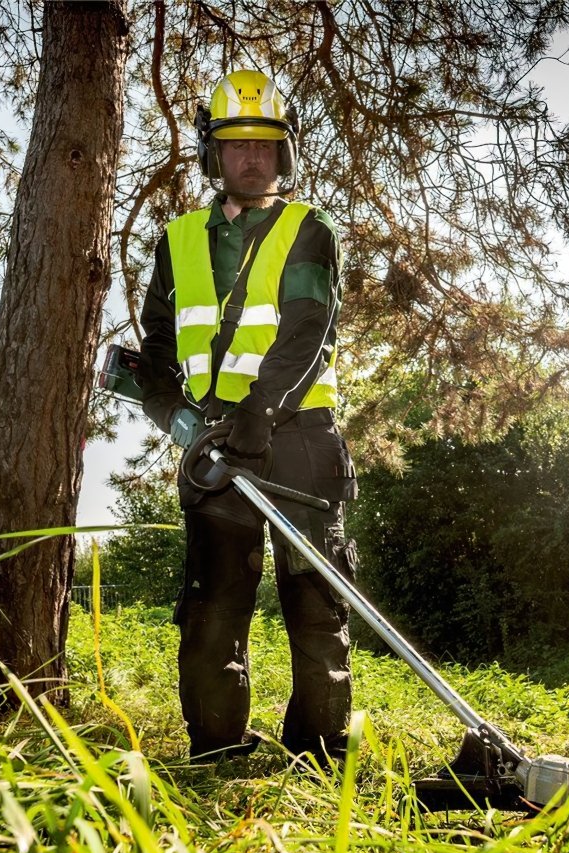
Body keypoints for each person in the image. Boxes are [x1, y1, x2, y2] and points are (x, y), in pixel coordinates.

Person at [136, 69, 358, 764]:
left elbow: (307, 327)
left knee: (315, 598)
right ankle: (216, 747)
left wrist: (262, 409)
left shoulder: (308, 228)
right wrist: (170, 408)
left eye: (266, 144)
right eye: (237, 145)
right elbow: (157, 344)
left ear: (283, 152)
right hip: (215, 446)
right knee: (212, 602)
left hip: (297, 437)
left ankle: (318, 750)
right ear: (215, 153)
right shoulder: (176, 240)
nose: (252, 157)